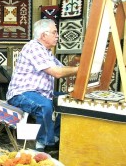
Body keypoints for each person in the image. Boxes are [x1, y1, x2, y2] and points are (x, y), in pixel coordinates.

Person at [6, 19, 78, 152]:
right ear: (44, 35)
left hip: (40, 93)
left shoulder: (47, 52)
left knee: (69, 101)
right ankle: (43, 146)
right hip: (21, 93)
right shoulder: (33, 47)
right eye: (54, 32)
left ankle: (54, 137)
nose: (57, 35)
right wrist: (80, 70)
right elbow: (56, 73)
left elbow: (62, 70)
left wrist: (77, 69)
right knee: (44, 105)